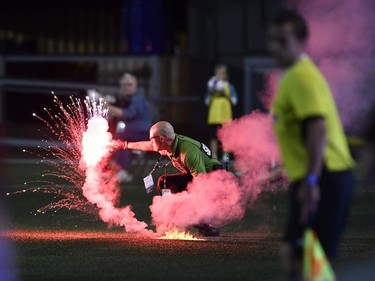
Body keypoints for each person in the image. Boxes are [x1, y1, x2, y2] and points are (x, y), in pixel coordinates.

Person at [267, 10, 355, 280]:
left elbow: (317, 127)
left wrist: (312, 180)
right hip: (317, 176)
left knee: (307, 263)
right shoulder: (293, 75)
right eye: (272, 40)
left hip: (324, 177)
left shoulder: (300, 77)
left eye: (283, 40)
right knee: (295, 257)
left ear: (301, 42)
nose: (275, 47)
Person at [113, 121, 224, 236]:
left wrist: (191, 208)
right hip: (199, 177)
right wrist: (124, 145)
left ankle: (205, 225)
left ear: (161, 138)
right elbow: (149, 146)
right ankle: (172, 220)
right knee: (164, 182)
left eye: (152, 138)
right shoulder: (169, 143)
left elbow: (202, 183)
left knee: (188, 196)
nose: (151, 141)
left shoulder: (188, 152)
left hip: (215, 181)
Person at [106, 73, 153, 183]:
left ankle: (123, 171)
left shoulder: (138, 99)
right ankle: (114, 169)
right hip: (133, 133)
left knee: (119, 139)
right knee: (115, 137)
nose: (126, 87)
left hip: (143, 134)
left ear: (135, 86)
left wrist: (107, 105)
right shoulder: (127, 99)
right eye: (124, 85)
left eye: (129, 84)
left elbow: (126, 114)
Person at [205, 63, 238, 163]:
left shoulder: (229, 86)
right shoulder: (211, 87)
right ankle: (214, 156)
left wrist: (225, 94)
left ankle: (225, 156)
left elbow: (234, 101)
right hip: (214, 117)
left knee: (225, 137)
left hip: (226, 116)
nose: (220, 75)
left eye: (222, 73)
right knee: (213, 137)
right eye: (218, 73)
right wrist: (211, 93)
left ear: (226, 75)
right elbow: (206, 101)